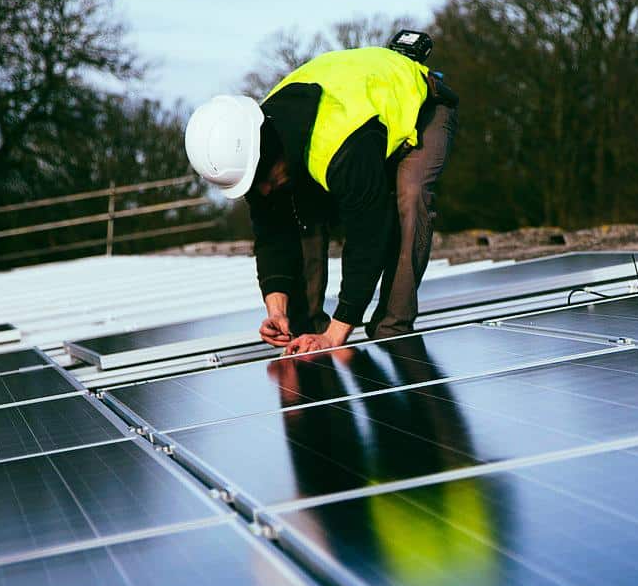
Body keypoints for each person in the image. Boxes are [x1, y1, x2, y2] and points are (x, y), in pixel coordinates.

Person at [184, 31, 458, 354]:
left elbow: (369, 233)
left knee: (410, 195)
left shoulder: (338, 145)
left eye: (262, 180)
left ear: (269, 153)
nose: (262, 190)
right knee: (299, 207)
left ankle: (391, 326)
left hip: (421, 105)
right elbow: (272, 235)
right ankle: (306, 329)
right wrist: (277, 311)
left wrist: (337, 333)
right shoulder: (250, 147)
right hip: (359, 118)